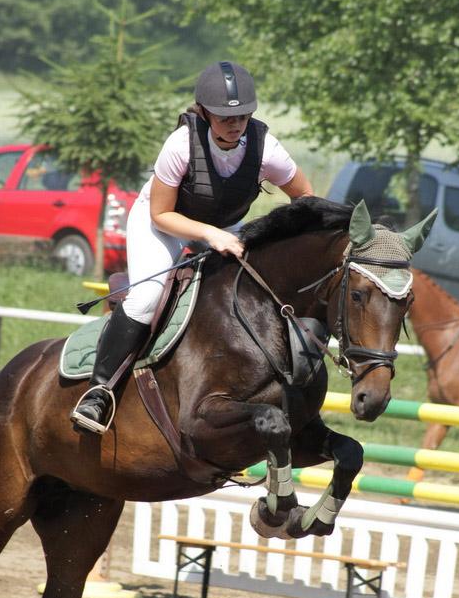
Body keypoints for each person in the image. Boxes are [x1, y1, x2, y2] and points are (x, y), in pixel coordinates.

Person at [71, 60, 313, 433]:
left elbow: (306, 198)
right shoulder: (181, 144)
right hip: (163, 223)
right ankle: (99, 391)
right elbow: (161, 214)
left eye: (242, 116)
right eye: (224, 117)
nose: (235, 124)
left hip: (225, 226)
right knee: (148, 296)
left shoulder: (267, 148)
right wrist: (211, 235)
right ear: (203, 112)